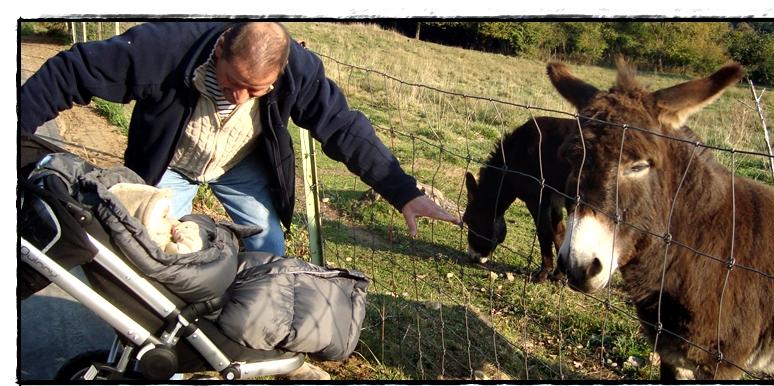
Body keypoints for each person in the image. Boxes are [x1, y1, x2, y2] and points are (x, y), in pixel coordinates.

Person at [20, 20, 458, 256]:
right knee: (149, 252)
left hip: (240, 164)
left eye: (257, 89)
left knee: (267, 247)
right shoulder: (166, 47)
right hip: (170, 160)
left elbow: (343, 128)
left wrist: (402, 192)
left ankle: (249, 340)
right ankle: (157, 358)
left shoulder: (298, 70)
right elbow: (71, 71)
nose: (240, 96)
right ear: (221, 46)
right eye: (233, 82)